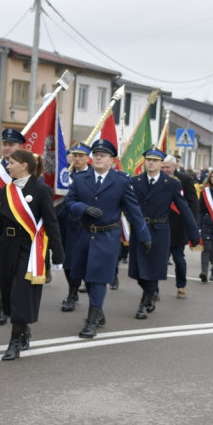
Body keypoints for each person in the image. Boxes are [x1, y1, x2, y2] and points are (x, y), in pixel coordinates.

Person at [63, 139, 151, 338]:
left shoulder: (121, 181)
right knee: (86, 275)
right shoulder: (80, 178)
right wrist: (82, 208)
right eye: (95, 154)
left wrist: (144, 235)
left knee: (98, 279)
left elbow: (133, 211)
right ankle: (99, 311)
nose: (98, 158)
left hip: (107, 236)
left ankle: (91, 321)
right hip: (85, 234)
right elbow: (69, 202)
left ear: (112, 159)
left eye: (103, 155)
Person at [0, 149, 64, 360]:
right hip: (8, 246)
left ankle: (14, 341)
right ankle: (23, 327)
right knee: (9, 293)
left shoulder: (41, 190)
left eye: (11, 163)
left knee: (20, 292)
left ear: (24, 165)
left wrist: (58, 255)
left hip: (31, 249)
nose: (7, 166)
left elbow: (51, 223)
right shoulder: (6, 190)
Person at [127, 149, 200, 319]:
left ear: (161, 164)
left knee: (152, 268)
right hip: (140, 230)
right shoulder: (135, 181)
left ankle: (144, 302)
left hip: (160, 230)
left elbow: (184, 208)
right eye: (148, 160)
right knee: (138, 271)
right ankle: (150, 293)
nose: (151, 163)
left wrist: (194, 233)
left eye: (155, 160)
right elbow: (128, 205)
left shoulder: (172, 183)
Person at [0, 127, 26, 326]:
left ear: (20, 147)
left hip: (19, 225)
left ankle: (4, 306)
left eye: (11, 144)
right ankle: (5, 290)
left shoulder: (26, 168)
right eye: (5, 144)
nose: (7, 148)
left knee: (13, 268)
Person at [59, 142, 93, 311]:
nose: (77, 158)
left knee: (80, 261)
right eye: (75, 155)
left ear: (88, 158)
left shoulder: (93, 176)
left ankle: (74, 293)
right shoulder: (64, 174)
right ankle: (72, 291)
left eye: (81, 156)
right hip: (65, 224)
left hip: (83, 225)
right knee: (66, 261)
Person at [161, 155, 200, 298]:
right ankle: (153, 290)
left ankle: (181, 286)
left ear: (174, 167)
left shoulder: (184, 179)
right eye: (163, 167)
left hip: (178, 226)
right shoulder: (157, 179)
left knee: (178, 258)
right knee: (159, 260)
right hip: (161, 225)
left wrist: (192, 225)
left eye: (168, 167)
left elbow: (193, 203)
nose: (165, 170)